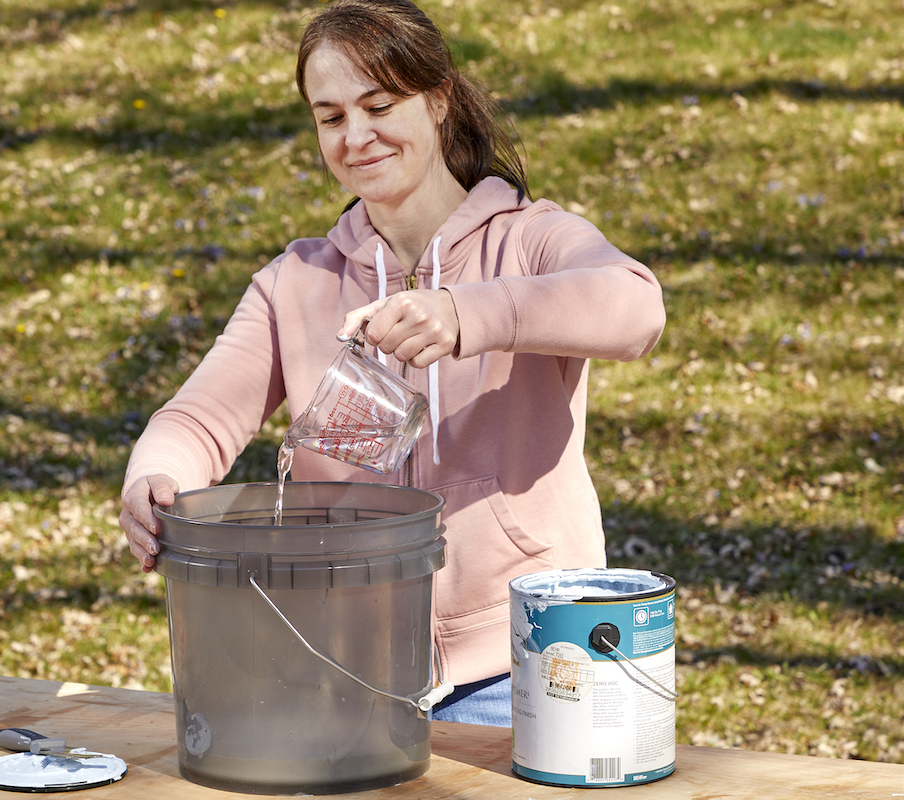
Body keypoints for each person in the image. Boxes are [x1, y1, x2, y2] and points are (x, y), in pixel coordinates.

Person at [119, 0, 666, 726]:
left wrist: (469, 314)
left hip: (530, 659)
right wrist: (155, 475)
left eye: (378, 105)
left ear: (438, 98)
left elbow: (635, 309)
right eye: (331, 116)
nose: (356, 136)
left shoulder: (531, 242)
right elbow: (200, 416)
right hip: (346, 668)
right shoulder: (298, 282)